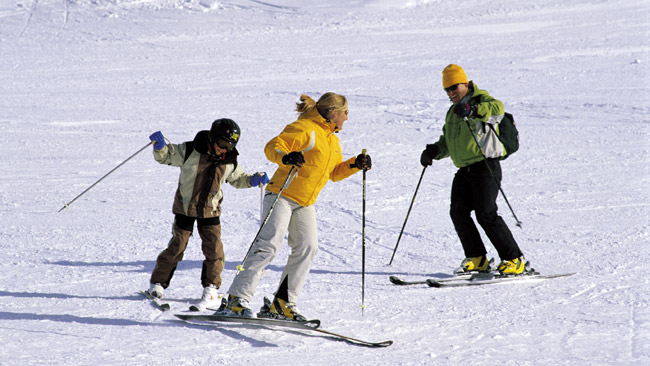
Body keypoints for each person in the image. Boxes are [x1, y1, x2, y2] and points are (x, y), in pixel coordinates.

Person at [221, 92, 372, 319]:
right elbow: (273, 146)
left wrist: (354, 164)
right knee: (269, 244)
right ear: (333, 113)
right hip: (281, 194)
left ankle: (282, 303)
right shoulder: (305, 128)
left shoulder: (332, 139)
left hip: (305, 203)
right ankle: (236, 299)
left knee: (308, 247)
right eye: (346, 113)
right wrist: (286, 157)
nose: (347, 118)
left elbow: (332, 173)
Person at [146, 118, 270, 311]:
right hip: (185, 208)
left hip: (210, 210)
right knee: (177, 246)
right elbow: (166, 157)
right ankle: (158, 283)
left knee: (214, 251)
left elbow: (239, 179)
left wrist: (253, 180)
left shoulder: (229, 161)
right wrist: (160, 147)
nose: (224, 149)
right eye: (222, 144)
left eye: (230, 146)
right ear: (213, 138)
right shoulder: (190, 150)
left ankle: (211, 289)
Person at [420, 64, 526, 275]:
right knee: (458, 212)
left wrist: (473, 110)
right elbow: (448, 142)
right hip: (464, 169)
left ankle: (514, 259)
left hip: (485, 166)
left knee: (486, 214)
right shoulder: (452, 112)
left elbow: (498, 109)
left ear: (465, 84)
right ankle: (477, 258)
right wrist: (434, 151)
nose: (451, 93)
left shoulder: (483, 101)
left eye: (454, 87)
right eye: (447, 90)